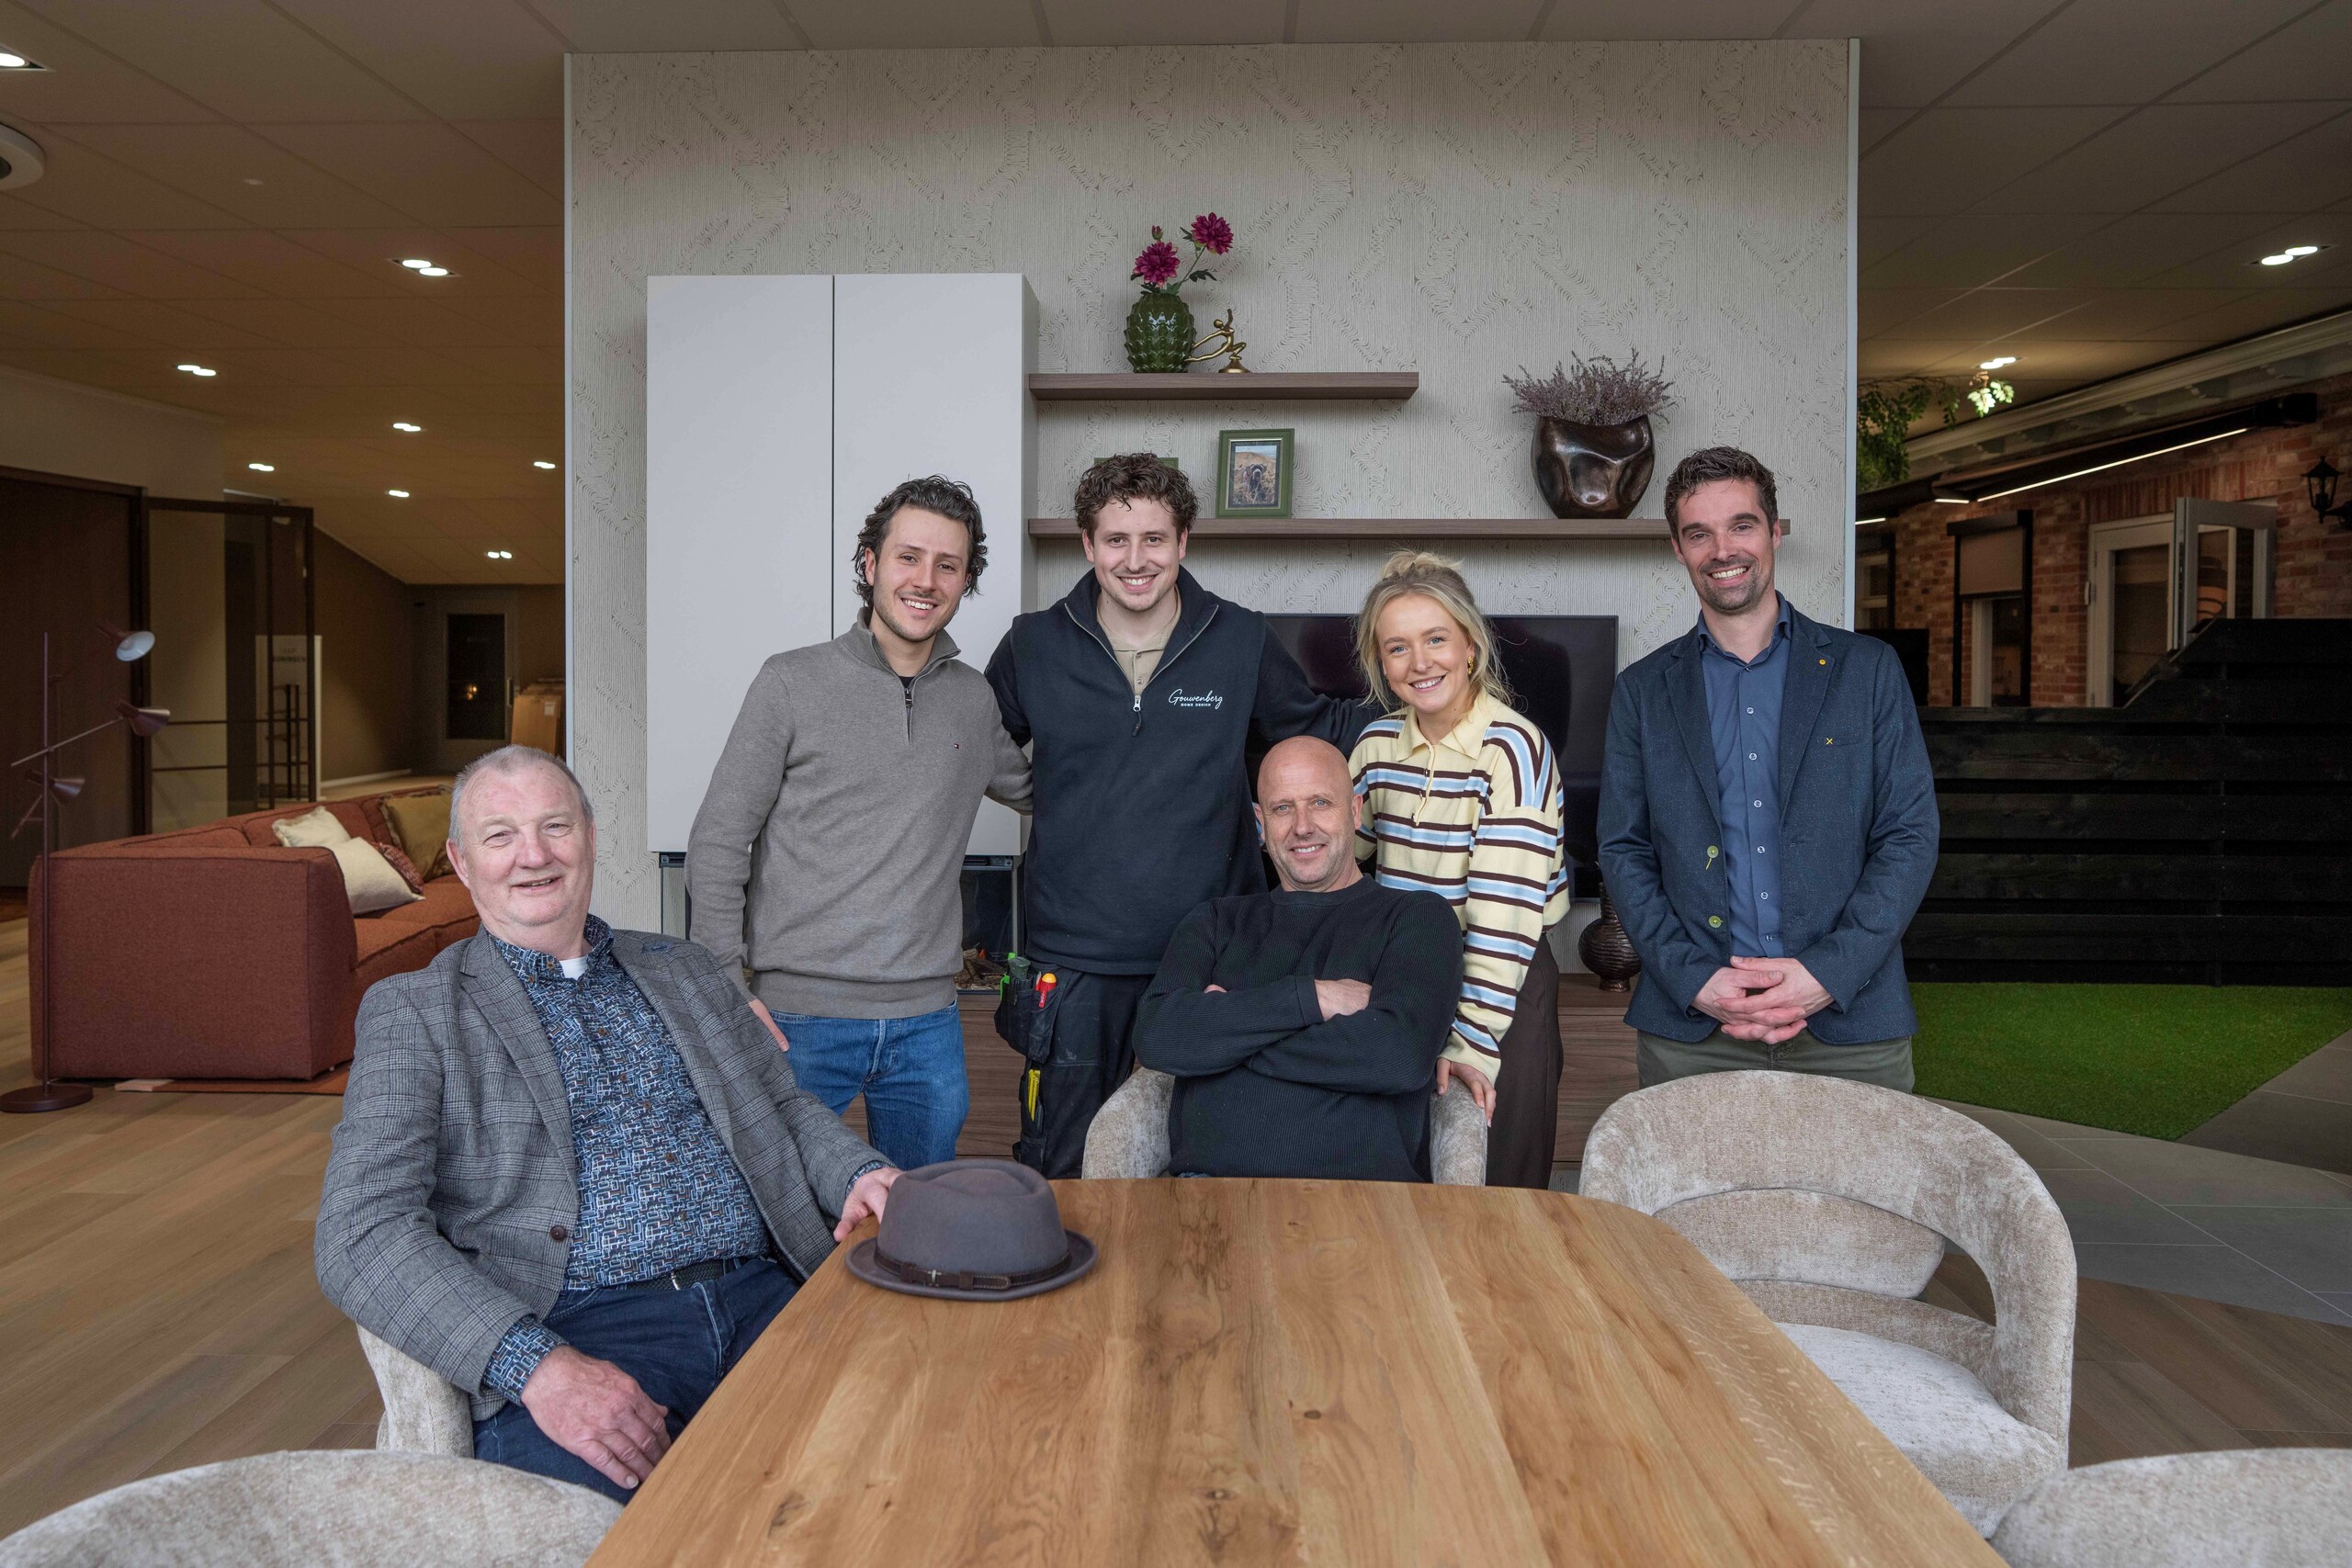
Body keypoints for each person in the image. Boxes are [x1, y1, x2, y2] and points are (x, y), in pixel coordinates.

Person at [317, 746, 899, 1504]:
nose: (534, 854)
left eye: (555, 825)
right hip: (583, 1331)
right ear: (461, 861)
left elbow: (783, 1109)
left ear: (590, 834)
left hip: (769, 1298)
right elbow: (360, 1229)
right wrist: (539, 1366)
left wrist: (861, 1172)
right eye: (500, 836)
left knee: (897, 1473)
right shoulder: (417, 1012)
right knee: (598, 1538)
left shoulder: (685, 970)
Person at [985, 454, 1370, 1178]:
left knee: (1211, 1166)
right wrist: (1049, 795)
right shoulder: (1033, 644)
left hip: (1213, 958)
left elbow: (1322, 729)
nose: (1137, 561)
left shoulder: (1239, 639)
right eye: (1116, 540)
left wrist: (1439, 701)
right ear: (1087, 544)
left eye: (1154, 539)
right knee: (1066, 1175)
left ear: (1184, 541)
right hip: (1074, 965)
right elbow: (966, 742)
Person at [688, 476, 1030, 1170]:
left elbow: (1046, 792)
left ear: (967, 581)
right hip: (795, 1021)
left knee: (914, 1217)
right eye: (908, 557)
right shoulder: (789, 682)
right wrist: (728, 991)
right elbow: (719, 841)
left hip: (928, 1026)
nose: (925, 580)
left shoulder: (972, 699)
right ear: (870, 564)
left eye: (948, 565)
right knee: (778, 1220)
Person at [1598, 446, 1938, 1089]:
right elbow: (1623, 849)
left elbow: (1910, 835)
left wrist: (1824, 977)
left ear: (1774, 531)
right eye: (1700, 533)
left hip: (1850, 1023)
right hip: (1696, 1032)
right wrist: (1694, 979)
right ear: (1678, 547)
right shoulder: (1642, 691)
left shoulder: (1866, 672)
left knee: (1857, 1195)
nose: (1722, 549)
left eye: (1742, 525)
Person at [1133, 738, 1463, 1180]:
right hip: (1207, 1201)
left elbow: (1398, 1057)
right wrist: (1313, 1000)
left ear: (1354, 810)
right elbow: (1157, 1036)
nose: (1302, 826)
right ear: (1260, 823)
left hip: (1362, 1207)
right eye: (1283, 808)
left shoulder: (1416, 918)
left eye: (1320, 803)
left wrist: (1225, 1034)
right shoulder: (1215, 921)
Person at [1348, 551, 1569, 1189]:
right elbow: (1340, 869)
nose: (1420, 663)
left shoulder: (1514, 749)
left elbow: (1502, 928)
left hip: (1504, 984)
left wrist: (1470, 1047)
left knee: (1498, 1194)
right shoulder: (1374, 747)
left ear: (1470, 645)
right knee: (1405, 1182)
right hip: (1403, 983)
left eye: (1436, 639)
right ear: (1379, 662)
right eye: (1397, 647)